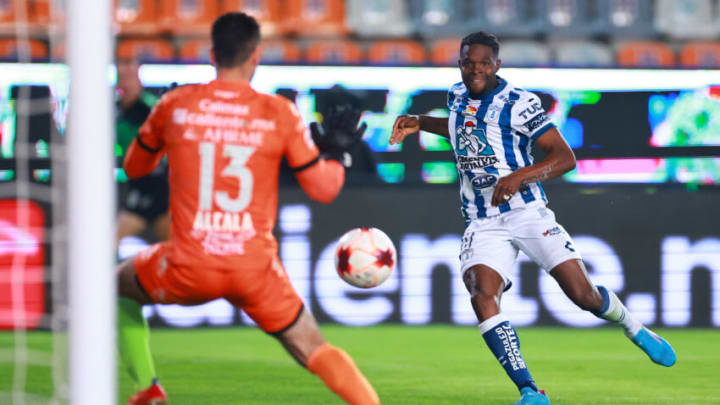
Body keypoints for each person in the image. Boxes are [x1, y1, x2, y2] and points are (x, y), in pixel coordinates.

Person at [390, 31, 676, 405]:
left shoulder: (519, 103)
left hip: (527, 211)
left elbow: (564, 157)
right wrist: (419, 121)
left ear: (497, 65)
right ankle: (529, 390)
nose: (475, 71)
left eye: (483, 64)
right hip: (482, 220)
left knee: (583, 296)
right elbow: (463, 129)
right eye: (467, 63)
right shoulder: (456, 96)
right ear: (460, 63)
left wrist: (518, 176)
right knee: (481, 293)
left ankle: (633, 327)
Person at [116, 12, 379, 405]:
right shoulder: (279, 113)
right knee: (314, 348)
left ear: (211, 54)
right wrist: (340, 152)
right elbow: (323, 189)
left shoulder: (177, 104)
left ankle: (147, 388)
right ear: (255, 56)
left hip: (189, 263)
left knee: (116, 286)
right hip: (254, 270)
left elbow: (134, 167)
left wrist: (162, 128)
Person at [115, 58, 170, 248]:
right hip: (137, 191)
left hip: (162, 192)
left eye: (129, 77)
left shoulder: (152, 109)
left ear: (139, 79)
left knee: (179, 246)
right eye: (121, 78)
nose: (125, 83)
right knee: (109, 241)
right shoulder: (115, 113)